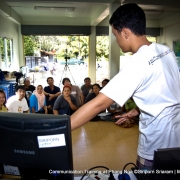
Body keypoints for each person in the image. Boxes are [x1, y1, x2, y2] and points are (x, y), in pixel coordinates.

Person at [71, 3, 180, 170]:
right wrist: (136, 110)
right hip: (176, 143)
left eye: (115, 35)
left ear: (125, 33)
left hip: (155, 148)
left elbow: (99, 104)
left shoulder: (138, 63)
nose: (116, 40)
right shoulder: (165, 51)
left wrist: (60, 129)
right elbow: (165, 92)